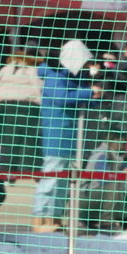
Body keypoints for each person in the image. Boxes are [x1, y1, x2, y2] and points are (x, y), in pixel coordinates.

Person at [33, 39, 102, 233]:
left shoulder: (74, 77)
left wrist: (94, 97)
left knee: (63, 180)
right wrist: (88, 92)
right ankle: (40, 218)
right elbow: (62, 97)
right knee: (51, 177)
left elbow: (77, 99)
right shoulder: (55, 76)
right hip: (56, 134)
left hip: (71, 135)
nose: (87, 67)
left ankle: (54, 218)